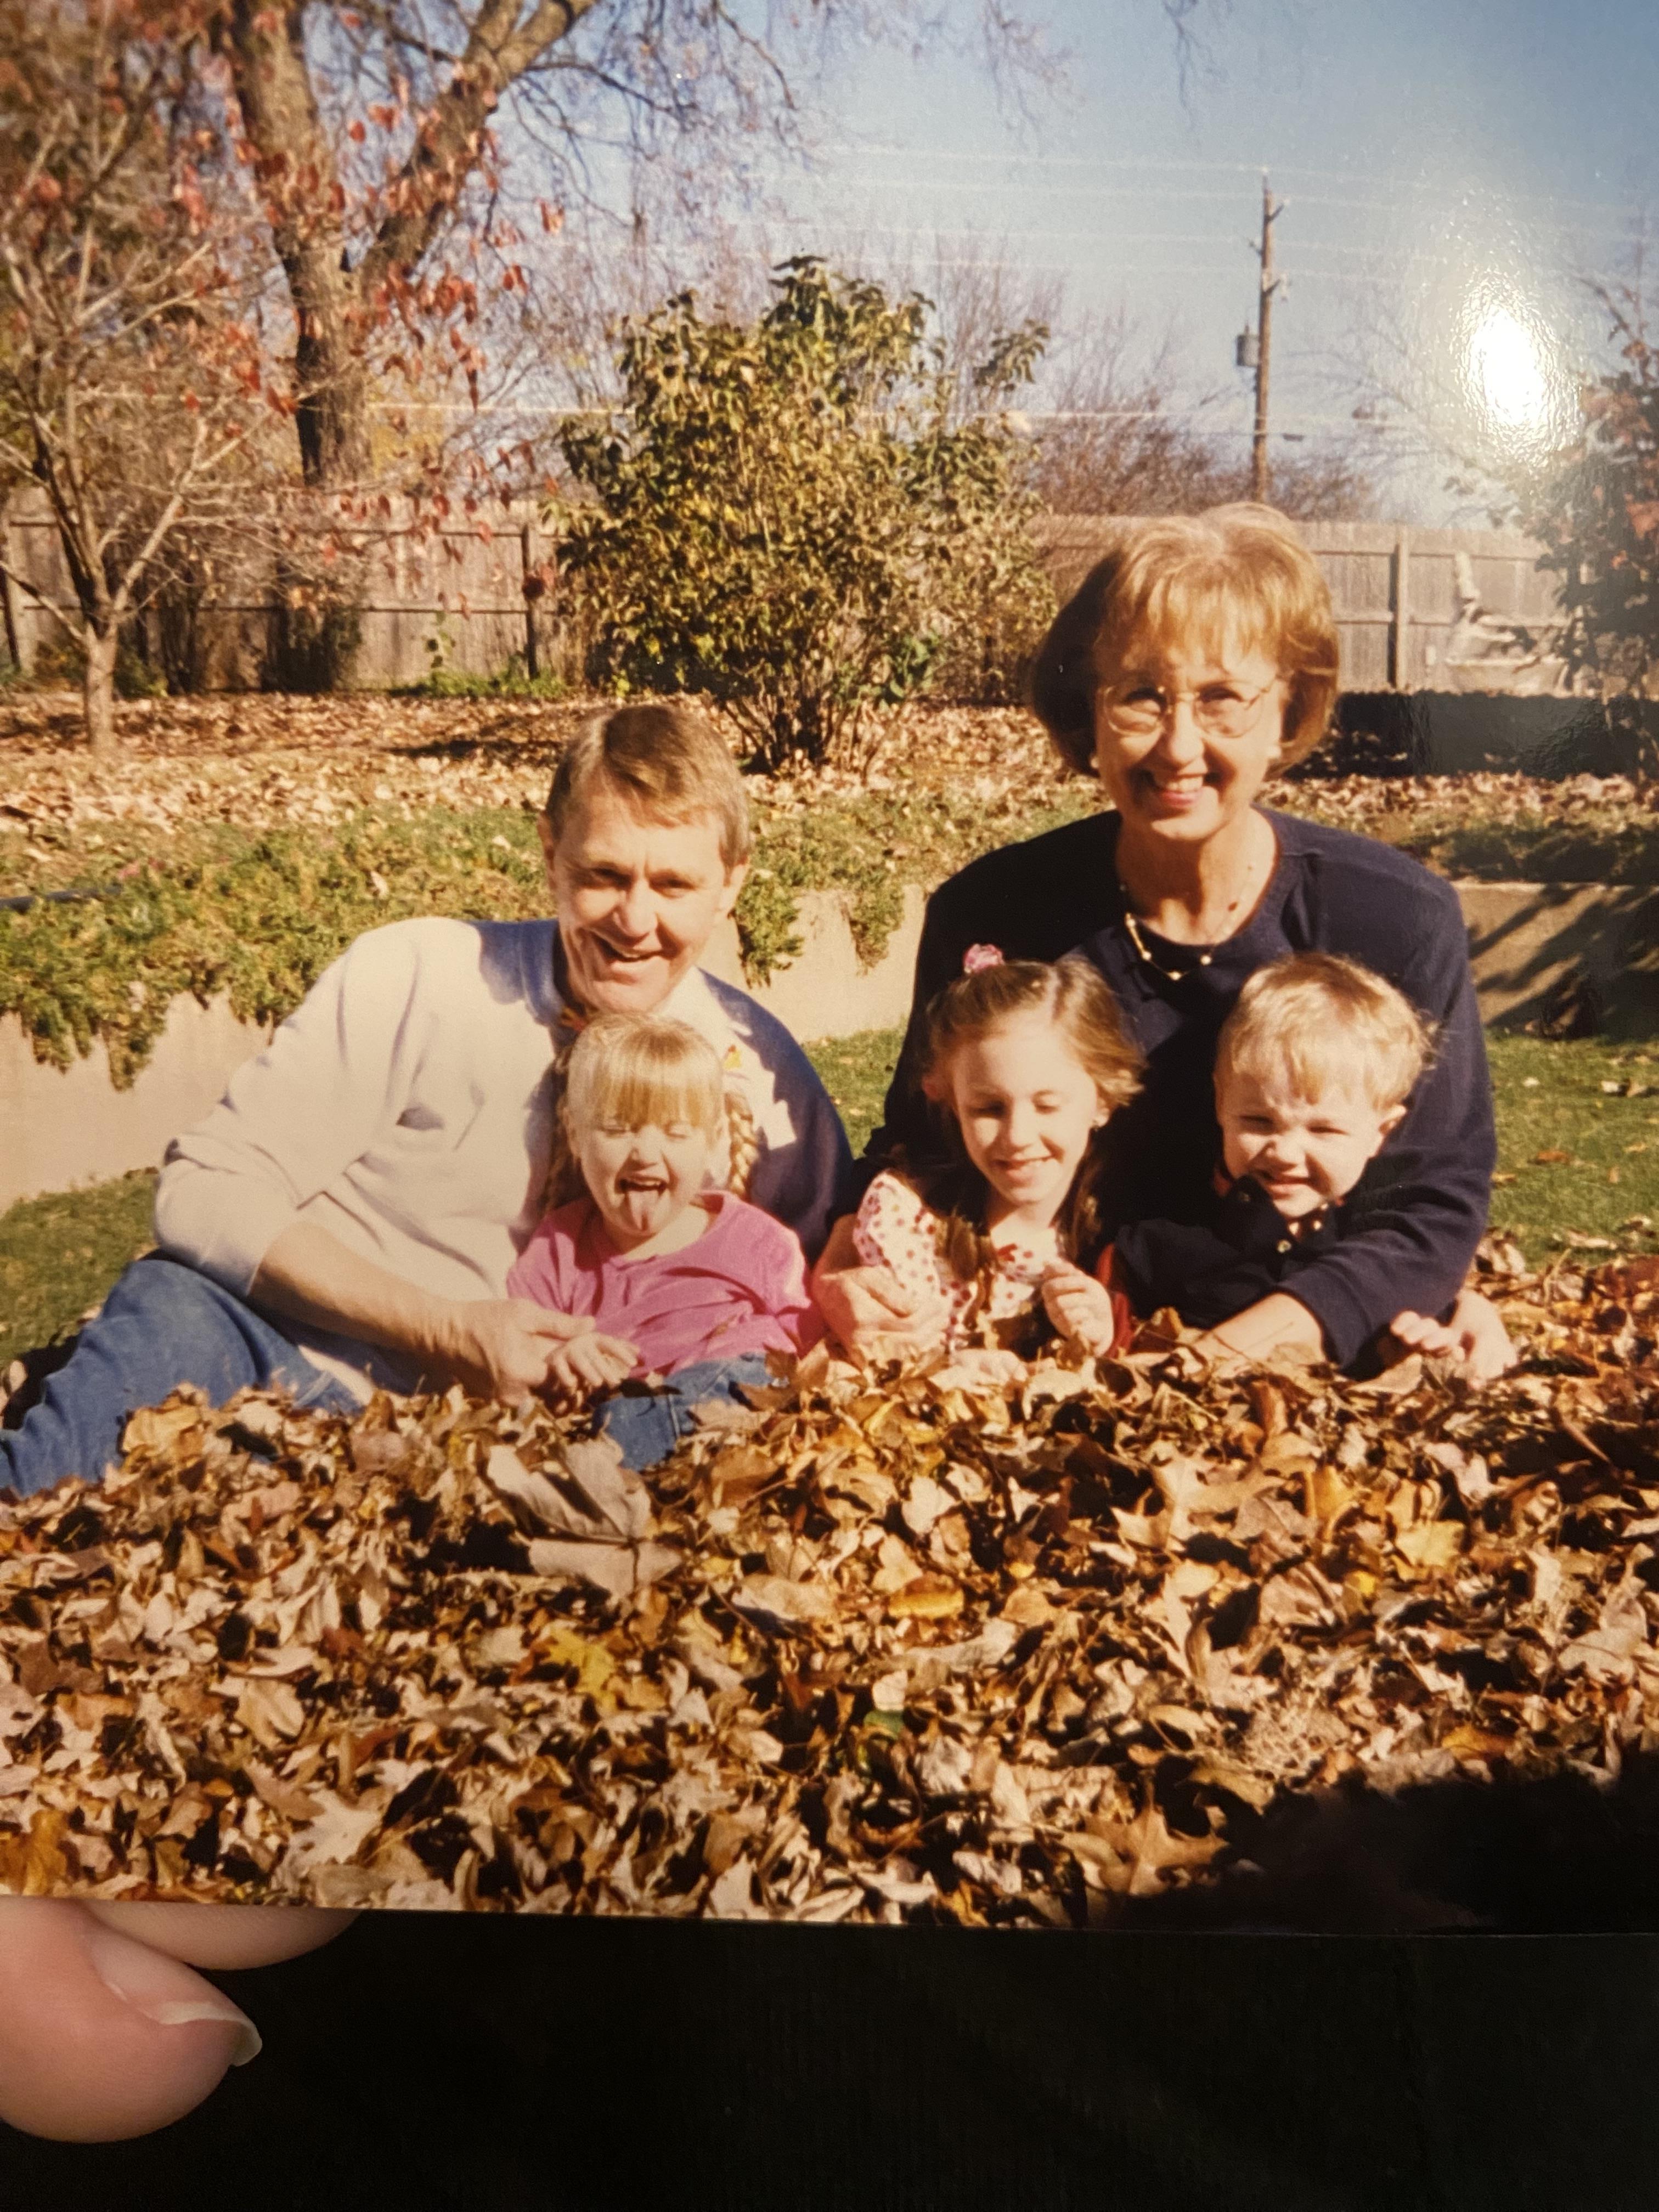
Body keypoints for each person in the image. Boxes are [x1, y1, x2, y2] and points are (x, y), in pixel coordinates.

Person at [1, 704, 853, 1500]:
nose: (634, 919)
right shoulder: (418, 975)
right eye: (602, 875)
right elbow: (203, 1191)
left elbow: (818, 1271)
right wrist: (448, 1330)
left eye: (673, 886)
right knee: (37, 1507)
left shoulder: (760, 1069)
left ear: (732, 885)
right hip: (266, 1344)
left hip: (488, 1461)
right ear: (549, 849)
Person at [815, 503, 1511, 1380]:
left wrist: (1213, 1362)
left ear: (1286, 709)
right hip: (1043, 1351)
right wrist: (844, 1257)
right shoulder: (998, 910)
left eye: (1223, 699)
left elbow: (1429, 1204)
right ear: (1091, 711)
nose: (1180, 746)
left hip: (1298, 1357)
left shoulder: (1395, 920)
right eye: (1142, 695)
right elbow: (922, 1140)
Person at [506, 1013, 821, 1466]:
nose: (645, 1154)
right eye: (617, 1130)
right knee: (612, 1431)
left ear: (711, 1140)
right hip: (619, 1435)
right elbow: (524, 1358)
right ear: (576, 1136)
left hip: (741, 1430)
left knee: (750, 1368)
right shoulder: (561, 1247)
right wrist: (563, 1358)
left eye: (675, 1133)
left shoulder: (758, 1242)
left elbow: (808, 1357)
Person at [1109, 950, 1438, 1357]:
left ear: (1381, 1132)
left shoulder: (1373, 1243)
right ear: (1221, 1103)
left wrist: (1416, 1342)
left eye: (1323, 1129)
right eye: (1258, 1122)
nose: (1284, 1152)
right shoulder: (1165, 1236)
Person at [850, 952, 1142, 1361]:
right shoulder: (909, 1223)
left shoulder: (1126, 1230)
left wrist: (1104, 1338)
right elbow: (891, 1365)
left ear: (1104, 1099)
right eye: (989, 1109)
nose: (1017, 1137)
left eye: (1047, 1106)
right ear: (952, 1102)